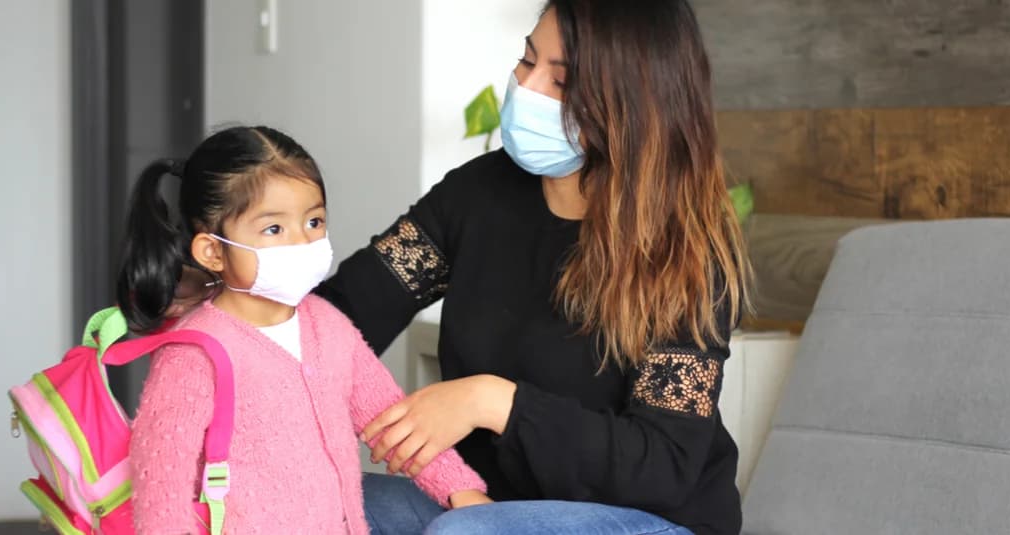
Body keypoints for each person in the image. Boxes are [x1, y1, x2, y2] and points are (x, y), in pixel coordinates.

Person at [317, 1, 750, 533]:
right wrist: (232, 309)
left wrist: (492, 401)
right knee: (323, 502)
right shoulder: (477, 195)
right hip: (494, 507)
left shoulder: (686, 251)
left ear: (631, 105)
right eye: (527, 61)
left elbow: (662, 467)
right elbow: (344, 313)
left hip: (654, 517)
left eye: (562, 81)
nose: (527, 89)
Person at [122, 126, 489, 534]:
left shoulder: (330, 326)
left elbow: (392, 420)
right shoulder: (195, 353)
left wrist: (461, 490)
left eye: (313, 221)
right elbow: (161, 492)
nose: (302, 242)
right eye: (274, 229)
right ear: (213, 250)